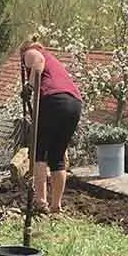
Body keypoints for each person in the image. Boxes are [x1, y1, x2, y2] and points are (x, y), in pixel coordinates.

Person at [19, 40, 83, 214]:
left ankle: (40, 202)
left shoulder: (31, 52)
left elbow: (38, 62)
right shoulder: (52, 59)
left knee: (39, 153)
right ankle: (56, 205)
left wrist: (29, 86)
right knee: (57, 156)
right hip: (74, 104)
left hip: (53, 100)